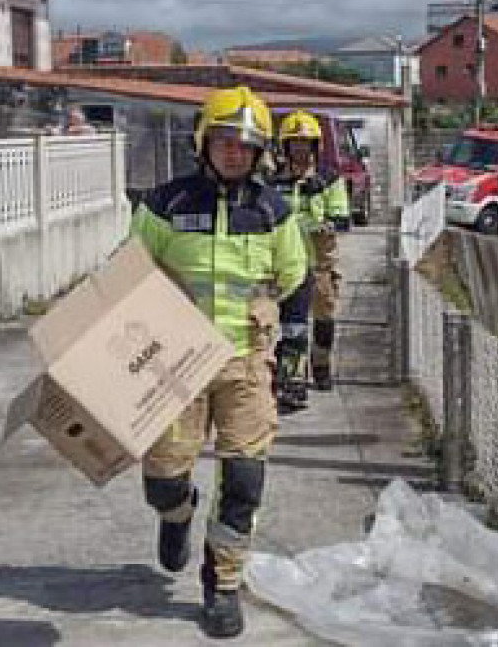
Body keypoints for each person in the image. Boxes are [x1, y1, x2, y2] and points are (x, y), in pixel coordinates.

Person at [130, 86, 307, 638]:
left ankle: (223, 586)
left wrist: (295, 345)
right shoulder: (164, 204)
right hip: (175, 362)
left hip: (246, 363)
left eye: (246, 145)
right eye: (224, 141)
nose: (234, 152)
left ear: (260, 154)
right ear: (204, 144)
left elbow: (296, 279)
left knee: (246, 479)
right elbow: (129, 277)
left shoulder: (273, 211)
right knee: (163, 478)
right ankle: (177, 514)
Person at [272, 110, 350, 411]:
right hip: (285, 266)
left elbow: (341, 219)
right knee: (292, 327)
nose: (300, 149)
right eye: (294, 143)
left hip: (319, 264)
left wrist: (320, 224)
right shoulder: (273, 181)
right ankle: (291, 377)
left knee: (323, 321)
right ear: (285, 147)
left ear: (316, 146)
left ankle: (321, 366)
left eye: (306, 143)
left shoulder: (328, 180)